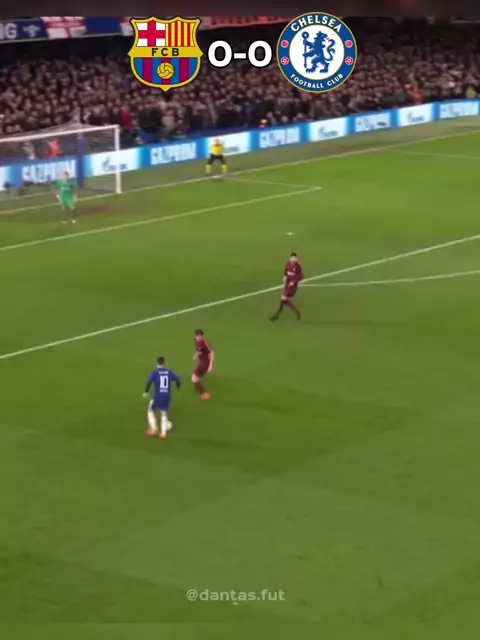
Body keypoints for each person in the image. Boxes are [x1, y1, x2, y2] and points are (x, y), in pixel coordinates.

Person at [143, 356, 181, 439]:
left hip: (158, 396)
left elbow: (149, 382)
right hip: (167, 396)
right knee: (164, 413)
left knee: (150, 410)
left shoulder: (155, 372)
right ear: (164, 363)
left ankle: (154, 429)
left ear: (157, 363)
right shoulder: (169, 372)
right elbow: (178, 380)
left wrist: (146, 391)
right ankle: (163, 434)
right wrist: (178, 387)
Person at [270, 252, 304, 321]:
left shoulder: (298, 266)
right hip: (287, 284)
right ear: (290, 258)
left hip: (292, 286)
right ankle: (296, 311)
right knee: (283, 300)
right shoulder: (287, 264)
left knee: (283, 298)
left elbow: (301, 276)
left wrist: (293, 282)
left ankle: (277, 315)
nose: (294, 259)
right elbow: (286, 272)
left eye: (295, 258)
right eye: (293, 258)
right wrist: (285, 277)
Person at [192, 329, 214, 400]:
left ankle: (204, 393)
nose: (198, 338)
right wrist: (196, 355)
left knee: (194, 379)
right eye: (197, 336)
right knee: (197, 377)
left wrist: (210, 366)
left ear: (202, 336)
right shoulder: (196, 340)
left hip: (205, 364)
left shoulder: (205, 343)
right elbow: (198, 349)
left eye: (200, 336)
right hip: (200, 362)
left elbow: (212, 353)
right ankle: (199, 381)